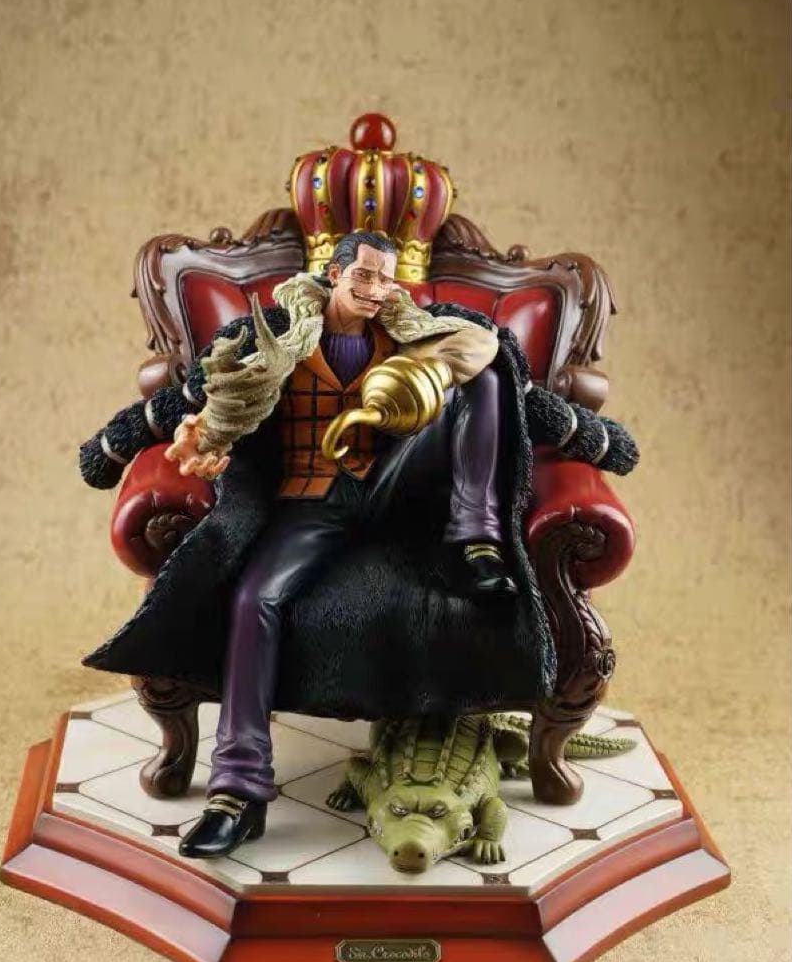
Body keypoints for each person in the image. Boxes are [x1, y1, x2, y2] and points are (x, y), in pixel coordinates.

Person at [79, 229, 638, 859]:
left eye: (385, 278)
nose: (376, 290)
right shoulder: (273, 335)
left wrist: (599, 442)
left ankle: (474, 537)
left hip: (397, 491)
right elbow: (191, 396)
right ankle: (237, 793)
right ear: (334, 274)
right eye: (364, 276)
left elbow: (516, 390)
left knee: (481, 377)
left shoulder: (416, 330)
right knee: (255, 599)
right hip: (309, 502)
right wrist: (116, 448)